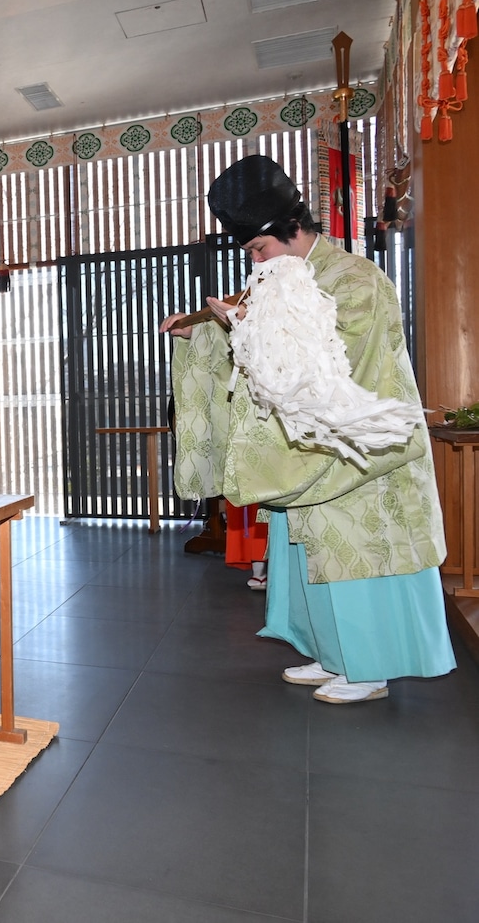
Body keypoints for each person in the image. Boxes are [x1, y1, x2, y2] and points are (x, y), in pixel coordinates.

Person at [161, 154, 453, 704]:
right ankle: (331, 652)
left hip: (359, 454)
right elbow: (253, 360)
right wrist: (202, 336)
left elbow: (341, 361)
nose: (255, 262)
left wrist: (247, 325)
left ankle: (368, 669)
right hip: (309, 451)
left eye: (258, 249)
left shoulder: (356, 279)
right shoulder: (281, 282)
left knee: (358, 554)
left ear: (290, 231)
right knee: (311, 557)